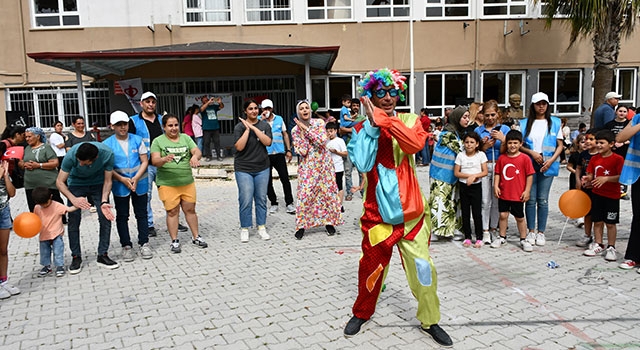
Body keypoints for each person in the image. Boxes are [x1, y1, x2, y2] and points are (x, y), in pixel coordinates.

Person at [343, 68, 452, 347]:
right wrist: (370, 124)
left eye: (393, 92)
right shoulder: (360, 127)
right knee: (370, 269)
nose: (388, 97)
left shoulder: (410, 120)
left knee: (424, 270)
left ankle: (431, 320)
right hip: (377, 216)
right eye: (381, 92)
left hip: (412, 215)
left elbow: (414, 144)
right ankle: (362, 313)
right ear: (371, 94)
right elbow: (365, 164)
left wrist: (385, 122)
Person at [130, 91, 188, 237]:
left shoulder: (163, 119)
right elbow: (131, 141)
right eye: (147, 102)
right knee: (146, 195)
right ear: (141, 103)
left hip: (165, 164)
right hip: (146, 165)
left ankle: (174, 219)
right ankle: (149, 225)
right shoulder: (133, 121)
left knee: (172, 194)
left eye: (153, 102)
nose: (150, 104)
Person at [56, 142, 118, 274]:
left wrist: (104, 201)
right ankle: (76, 256)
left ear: (94, 159)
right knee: (73, 220)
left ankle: (103, 254)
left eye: (84, 163)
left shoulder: (107, 154)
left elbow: (108, 181)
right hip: (76, 184)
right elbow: (59, 182)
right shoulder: (71, 155)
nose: (81, 164)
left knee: (105, 216)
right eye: (79, 161)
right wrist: (74, 199)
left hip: (98, 183)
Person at [150, 115, 207, 253]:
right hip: (167, 183)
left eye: (176, 125)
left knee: (190, 210)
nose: (174, 128)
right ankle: (174, 240)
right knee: (172, 211)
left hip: (186, 182)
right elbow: (155, 161)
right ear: (164, 127)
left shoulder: (186, 138)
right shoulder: (158, 141)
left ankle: (196, 236)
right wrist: (164, 159)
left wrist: (195, 156)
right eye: (170, 126)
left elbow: (197, 151)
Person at [103, 111, 152, 261]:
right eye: (119, 125)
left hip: (140, 183)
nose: (123, 127)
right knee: (123, 216)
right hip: (120, 185)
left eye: (125, 124)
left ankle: (144, 242)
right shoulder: (107, 145)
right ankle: (126, 246)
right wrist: (123, 179)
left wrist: (136, 178)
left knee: (142, 214)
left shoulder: (137, 140)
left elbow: (144, 161)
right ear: (112, 126)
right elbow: (108, 168)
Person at [291, 100, 342, 239]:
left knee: (326, 194)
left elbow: (322, 141)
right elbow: (302, 151)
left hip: (324, 166)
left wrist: (306, 129)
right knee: (305, 195)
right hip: (308, 167)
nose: (304, 110)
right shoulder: (295, 130)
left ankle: (329, 223)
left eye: (306, 107)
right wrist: (301, 132)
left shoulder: (319, 123)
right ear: (298, 112)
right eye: (301, 109)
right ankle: (301, 225)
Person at [518, 92, 563, 247]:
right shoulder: (524, 123)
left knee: (542, 199)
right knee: (530, 199)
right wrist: (532, 153)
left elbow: (560, 145)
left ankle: (541, 232)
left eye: (544, 103)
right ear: (533, 105)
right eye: (538, 104)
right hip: (530, 163)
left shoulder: (555, 122)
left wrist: (551, 161)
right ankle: (531, 230)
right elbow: (519, 144)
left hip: (548, 163)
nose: (541, 106)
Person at [233, 100, 273, 243]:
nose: (254, 111)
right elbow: (239, 147)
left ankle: (261, 227)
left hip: (262, 167)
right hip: (243, 168)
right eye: (250, 109)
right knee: (245, 198)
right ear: (245, 111)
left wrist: (254, 128)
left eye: (256, 108)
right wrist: (247, 130)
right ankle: (245, 228)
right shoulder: (239, 127)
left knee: (261, 199)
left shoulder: (264, 125)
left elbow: (268, 142)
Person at [582, 130, 624, 261]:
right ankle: (598, 243)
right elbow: (590, 173)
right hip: (596, 194)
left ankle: (611, 247)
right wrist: (587, 179)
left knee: (610, 223)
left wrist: (606, 179)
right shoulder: (594, 158)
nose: (599, 145)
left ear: (611, 144)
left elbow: (621, 177)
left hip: (612, 196)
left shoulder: (618, 159)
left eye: (602, 143)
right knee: (597, 221)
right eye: (597, 142)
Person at [429, 106, 469, 239]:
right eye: (464, 117)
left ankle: (452, 230)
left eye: (468, 117)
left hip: (452, 175)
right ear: (457, 118)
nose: (467, 120)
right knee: (440, 201)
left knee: (452, 202)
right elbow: (463, 149)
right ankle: (436, 231)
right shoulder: (448, 134)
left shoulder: (457, 133)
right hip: (440, 175)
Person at [491, 130, 534, 251]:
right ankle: (502, 237)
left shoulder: (525, 159)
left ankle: (523, 239)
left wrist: (527, 191)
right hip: (504, 193)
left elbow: (529, 175)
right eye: (510, 143)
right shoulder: (502, 158)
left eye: (515, 143)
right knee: (503, 215)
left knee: (520, 217)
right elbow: (498, 173)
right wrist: (496, 186)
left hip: (518, 194)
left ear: (521, 144)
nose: (512, 145)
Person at [474, 100, 510, 244]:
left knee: (496, 199)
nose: (490, 118)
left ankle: (494, 228)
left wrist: (503, 140)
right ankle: (485, 230)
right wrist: (483, 146)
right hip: (484, 166)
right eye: (487, 115)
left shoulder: (505, 129)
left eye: (492, 115)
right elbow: (474, 152)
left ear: (498, 114)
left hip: (499, 167)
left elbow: (509, 149)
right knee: (485, 200)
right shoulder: (478, 130)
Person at [19, 127, 66, 220]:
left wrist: (39, 165)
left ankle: (60, 220)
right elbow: (20, 162)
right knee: (33, 205)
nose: (27, 139)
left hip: (47, 183)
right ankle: (37, 223)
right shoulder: (26, 148)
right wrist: (24, 164)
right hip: (31, 184)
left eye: (29, 136)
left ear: (38, 136)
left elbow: (55, 163)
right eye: (26, 137)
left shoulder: (46, 147)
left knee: (53, 202)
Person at [32, 187, 78, 277]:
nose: (44, 205)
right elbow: (34, 219)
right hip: (44, 234)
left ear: (51, 197)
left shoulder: (56, 205)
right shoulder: (37, 208)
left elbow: (68, 209)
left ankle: (59, 266)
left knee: (58, 251)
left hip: (57, 234)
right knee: (44, 252)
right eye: (42, 204)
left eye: (46, 203)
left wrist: (78, 205)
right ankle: (46, 266)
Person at [260, 98, 295, 215]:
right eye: (265, 108)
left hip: (279, 153)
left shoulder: (279, 119)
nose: (267, 110)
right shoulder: (259, 120)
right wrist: (262, 120)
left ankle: (289, 203)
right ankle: (273, 203)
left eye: (269, 108)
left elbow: (285, 134)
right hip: (266, 154)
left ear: (272, 108)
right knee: (267, 180)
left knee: (285, 178)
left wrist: (288, 150)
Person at [454, 131, 488, 248]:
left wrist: (474, 176)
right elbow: (457, 172)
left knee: (477, 212)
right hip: (464, 187)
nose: (469, 145)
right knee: (465, 212)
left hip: (476, 187)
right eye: (467, 142)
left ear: (477, 144)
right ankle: (467, 237)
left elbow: (485, 171)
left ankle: (479, 237)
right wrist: (468, 176)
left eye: (472, 142)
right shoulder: (460, 155)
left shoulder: (481, 155)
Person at [616, 110, 640, 272]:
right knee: (638, 216)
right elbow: (620, 138)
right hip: (638, 174)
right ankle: (633, 256)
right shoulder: (637, 118)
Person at [575, 129, 599, 247]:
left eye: (591, 139)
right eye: (586, 140)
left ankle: (598, 238)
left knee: (598, 215)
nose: (588, 142)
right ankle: (587, 235)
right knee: (587, 213)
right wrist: (578, 181)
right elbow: (578, 168)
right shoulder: (583, 154)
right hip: (585, 188)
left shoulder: (600, 155)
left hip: (597, 189)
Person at [0, 160, 18, 299]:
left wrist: (5, 176)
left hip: (4, 211)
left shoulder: (3, 170)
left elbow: (12, 193)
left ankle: (4, 281)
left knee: (3, 250)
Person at [341, 98, 365, 200]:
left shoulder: (363, 118)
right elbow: (341, 130)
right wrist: (354, 129)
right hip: (348, 148)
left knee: (361, 172)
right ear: (350, 107)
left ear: (359, 107)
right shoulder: (346, 118)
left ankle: (363, 192)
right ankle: (349, 193)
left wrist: (348, 130)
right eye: (353, 105)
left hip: (359, 149)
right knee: (347, 172)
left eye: (357, 106)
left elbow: (363, 131)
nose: (355, 107)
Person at [605, 105, 631, 199]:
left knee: (623, 171)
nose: (622, 113)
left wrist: (623, 142)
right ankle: (611, 189)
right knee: (612, 170)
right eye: (620, 111)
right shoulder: (609, 124)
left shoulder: (630, 124)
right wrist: (613, 143)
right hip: (612, 150)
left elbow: (632, 138)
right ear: (616, 112)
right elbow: (606, 137)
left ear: (627, 113)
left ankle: (623, 191)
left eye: (624, 111)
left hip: (625, 151)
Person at [325, 122, 348, 211]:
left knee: (339, 186)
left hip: (338, 167)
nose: (329, 133)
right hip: (327, 168)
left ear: (336, 131)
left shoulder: (340, 141)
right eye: (327, 131)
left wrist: (336, 152)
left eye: (331, 131)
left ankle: (340, 205)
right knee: (329, 187)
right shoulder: (325, 141)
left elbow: (345, 153)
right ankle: (331, 204)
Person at [567, 134, 586, 227]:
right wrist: (576, 172)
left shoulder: (588, 154)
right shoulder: (574, 155)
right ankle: (578, 216)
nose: (585, 144)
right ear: (578, 144)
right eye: (582, 142)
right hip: (575, 178)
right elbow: (568, 166)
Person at [200, 95, 225, 161]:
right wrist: (208, 103)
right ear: (202, 102)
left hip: (215, 127)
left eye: (207, 99)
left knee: (217, 142)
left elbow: (222, 107)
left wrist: (220, 102)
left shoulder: (213, 107)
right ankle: (208, 156)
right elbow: (201, 109)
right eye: (205, 100)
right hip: (206, 128)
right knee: (206, 143)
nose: (207, 101)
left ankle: (219, 156)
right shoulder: (203, 107)